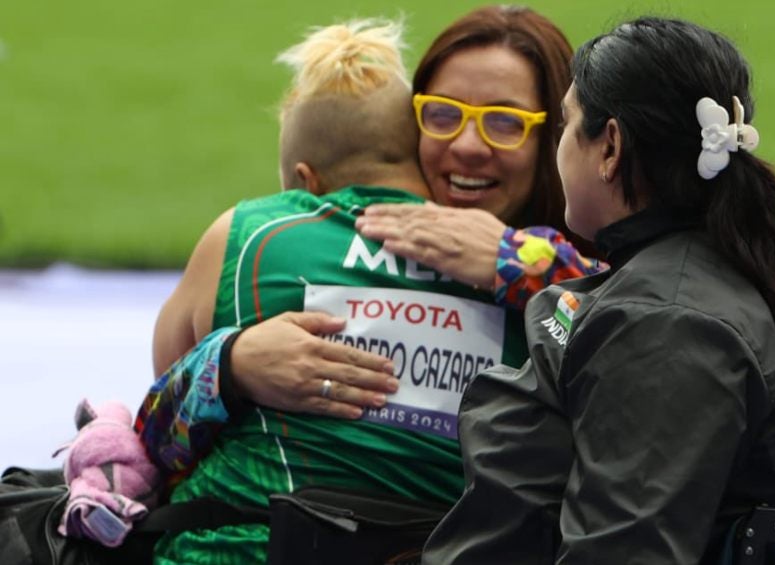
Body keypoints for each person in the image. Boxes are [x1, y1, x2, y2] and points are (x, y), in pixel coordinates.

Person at [422, 17, 775, 563]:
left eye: (566, 125)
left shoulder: (665, 324)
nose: (557, 148)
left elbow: (624, 551)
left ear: (610, 146)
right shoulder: (687, 280)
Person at [141, 19, 533, 563]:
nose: (468, 147)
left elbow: (162, 436)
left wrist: (226, 365)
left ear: (305, 180)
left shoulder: (248, 232)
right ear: (415, 148)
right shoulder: (537, 280)